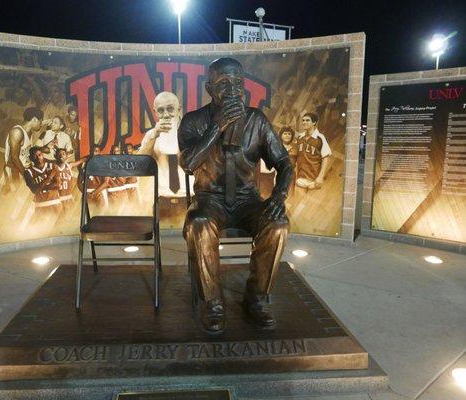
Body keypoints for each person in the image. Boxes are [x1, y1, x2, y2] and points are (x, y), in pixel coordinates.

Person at [178, 58, 291, 334]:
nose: (232, 90)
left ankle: (256, 298)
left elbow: (285, 163)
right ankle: (212, 303)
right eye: (223, 84)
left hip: (247, 201)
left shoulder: (257, 120)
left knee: (277, 225)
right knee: (198, 224)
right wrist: (217, 126)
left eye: (238, 83)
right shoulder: (193, 122)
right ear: (209, 88)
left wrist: (279, 195)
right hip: (210, 199)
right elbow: (188, 164)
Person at [138, 91, 188, 197]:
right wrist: (153, 135)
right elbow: (140, 164)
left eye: (170, 109)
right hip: (161, 198)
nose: (166, 114)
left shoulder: (191, 132)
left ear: (178, 109)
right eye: (161, 110)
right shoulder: (151, 136)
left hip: (190, 197)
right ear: (155, 113)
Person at [4, 107, 44, 190]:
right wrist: (27, 176)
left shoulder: (29, 133)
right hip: (14, 170)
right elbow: (14, 158)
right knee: (13, 199)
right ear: (34, 119)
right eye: (40, 121)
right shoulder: (17, 132)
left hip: (23, 170)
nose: (41, 124)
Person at [293, 113, 331, 189]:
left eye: (307, 120)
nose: (304, 122)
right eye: (303, 120)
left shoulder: (320, 137)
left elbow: (325, 158)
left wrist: (320, 177)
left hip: (313, 179)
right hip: (300, 177)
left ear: (314, 123)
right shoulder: (300, 137)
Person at [24, 146, 62, 219]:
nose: (38, 158)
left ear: (42, 155)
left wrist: (39, 187)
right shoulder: (28, 172)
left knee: (60, 228)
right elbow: (34, 191)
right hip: (40, 206)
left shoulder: (52, 166)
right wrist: (49, 177)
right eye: (35, 156)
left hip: (55, 203)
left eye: (39, 155)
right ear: (30, 158)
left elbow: (58, 185)